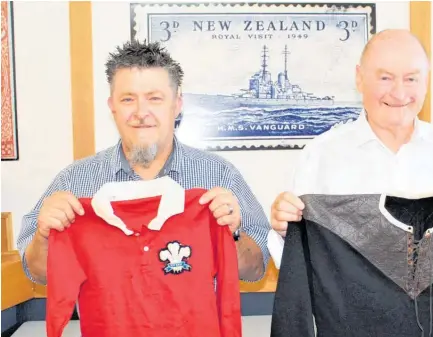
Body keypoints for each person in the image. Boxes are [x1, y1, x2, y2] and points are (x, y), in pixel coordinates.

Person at [268, 29, 433, 266]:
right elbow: (292, 263)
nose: (398, 93)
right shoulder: (321, 156)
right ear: (359, 78)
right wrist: (284, 230)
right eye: (385, 78)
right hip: (352, 319)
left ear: (427, 82)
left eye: (411, 79)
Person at [17, 40, 271, 284]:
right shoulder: (75, 181)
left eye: (154, 98)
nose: (140, 112)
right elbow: (37, 273)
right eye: (128, 99)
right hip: (106, 328)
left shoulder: (219, 176)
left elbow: (256, 270)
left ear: (177, 105)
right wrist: (43, 237)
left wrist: (233, 234)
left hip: (195, 328)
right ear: (112, 106)